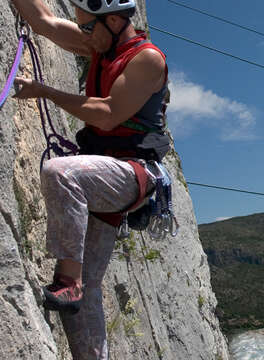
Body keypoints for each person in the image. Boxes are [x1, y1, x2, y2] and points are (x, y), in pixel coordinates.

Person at [11, 0, 170, 358]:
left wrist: (46, 91)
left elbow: (109, 115)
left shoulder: (147, 59)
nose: (83, 35)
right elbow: (45, 21)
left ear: (113, 21)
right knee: (83, 300)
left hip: (133, 174)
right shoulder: (100, 43)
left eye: (87, 27)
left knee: (60, 172)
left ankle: (69, 281)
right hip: (102, 173)